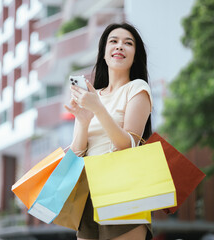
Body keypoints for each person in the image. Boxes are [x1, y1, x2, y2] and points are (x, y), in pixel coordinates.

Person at [64, 22, 153, 240]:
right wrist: (84, 120)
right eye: (113, 41)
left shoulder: (137, 88)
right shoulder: (94, 96)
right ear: (104, 53)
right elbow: (76, 153)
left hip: (123, 188)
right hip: (88, 193)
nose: (120, 46)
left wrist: (97, 109)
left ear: (135, 55)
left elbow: (127, 145)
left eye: (128, 43)